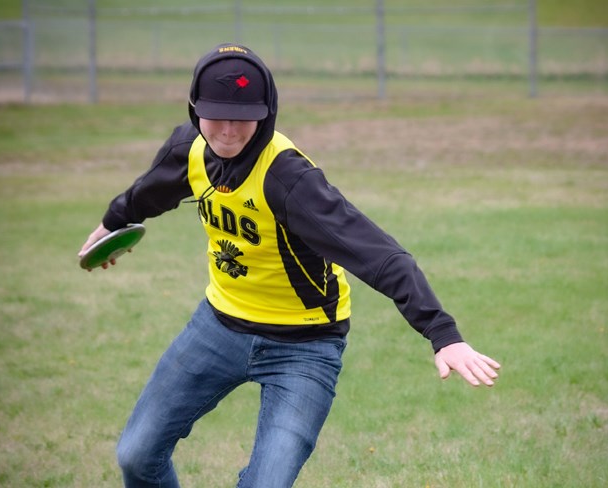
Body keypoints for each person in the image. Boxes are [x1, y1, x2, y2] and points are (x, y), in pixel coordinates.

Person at [78, 43, 500, 488]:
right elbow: (149, 192)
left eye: (242, 116)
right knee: (136, 455)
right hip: (218, 327)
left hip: (305, 347)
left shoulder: (289, 181)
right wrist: (111, 225)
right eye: (215, 114)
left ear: (267, 113)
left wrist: (442, 334)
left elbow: (380, 255)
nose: (227, 130)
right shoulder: (190, 149)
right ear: (194, 109)